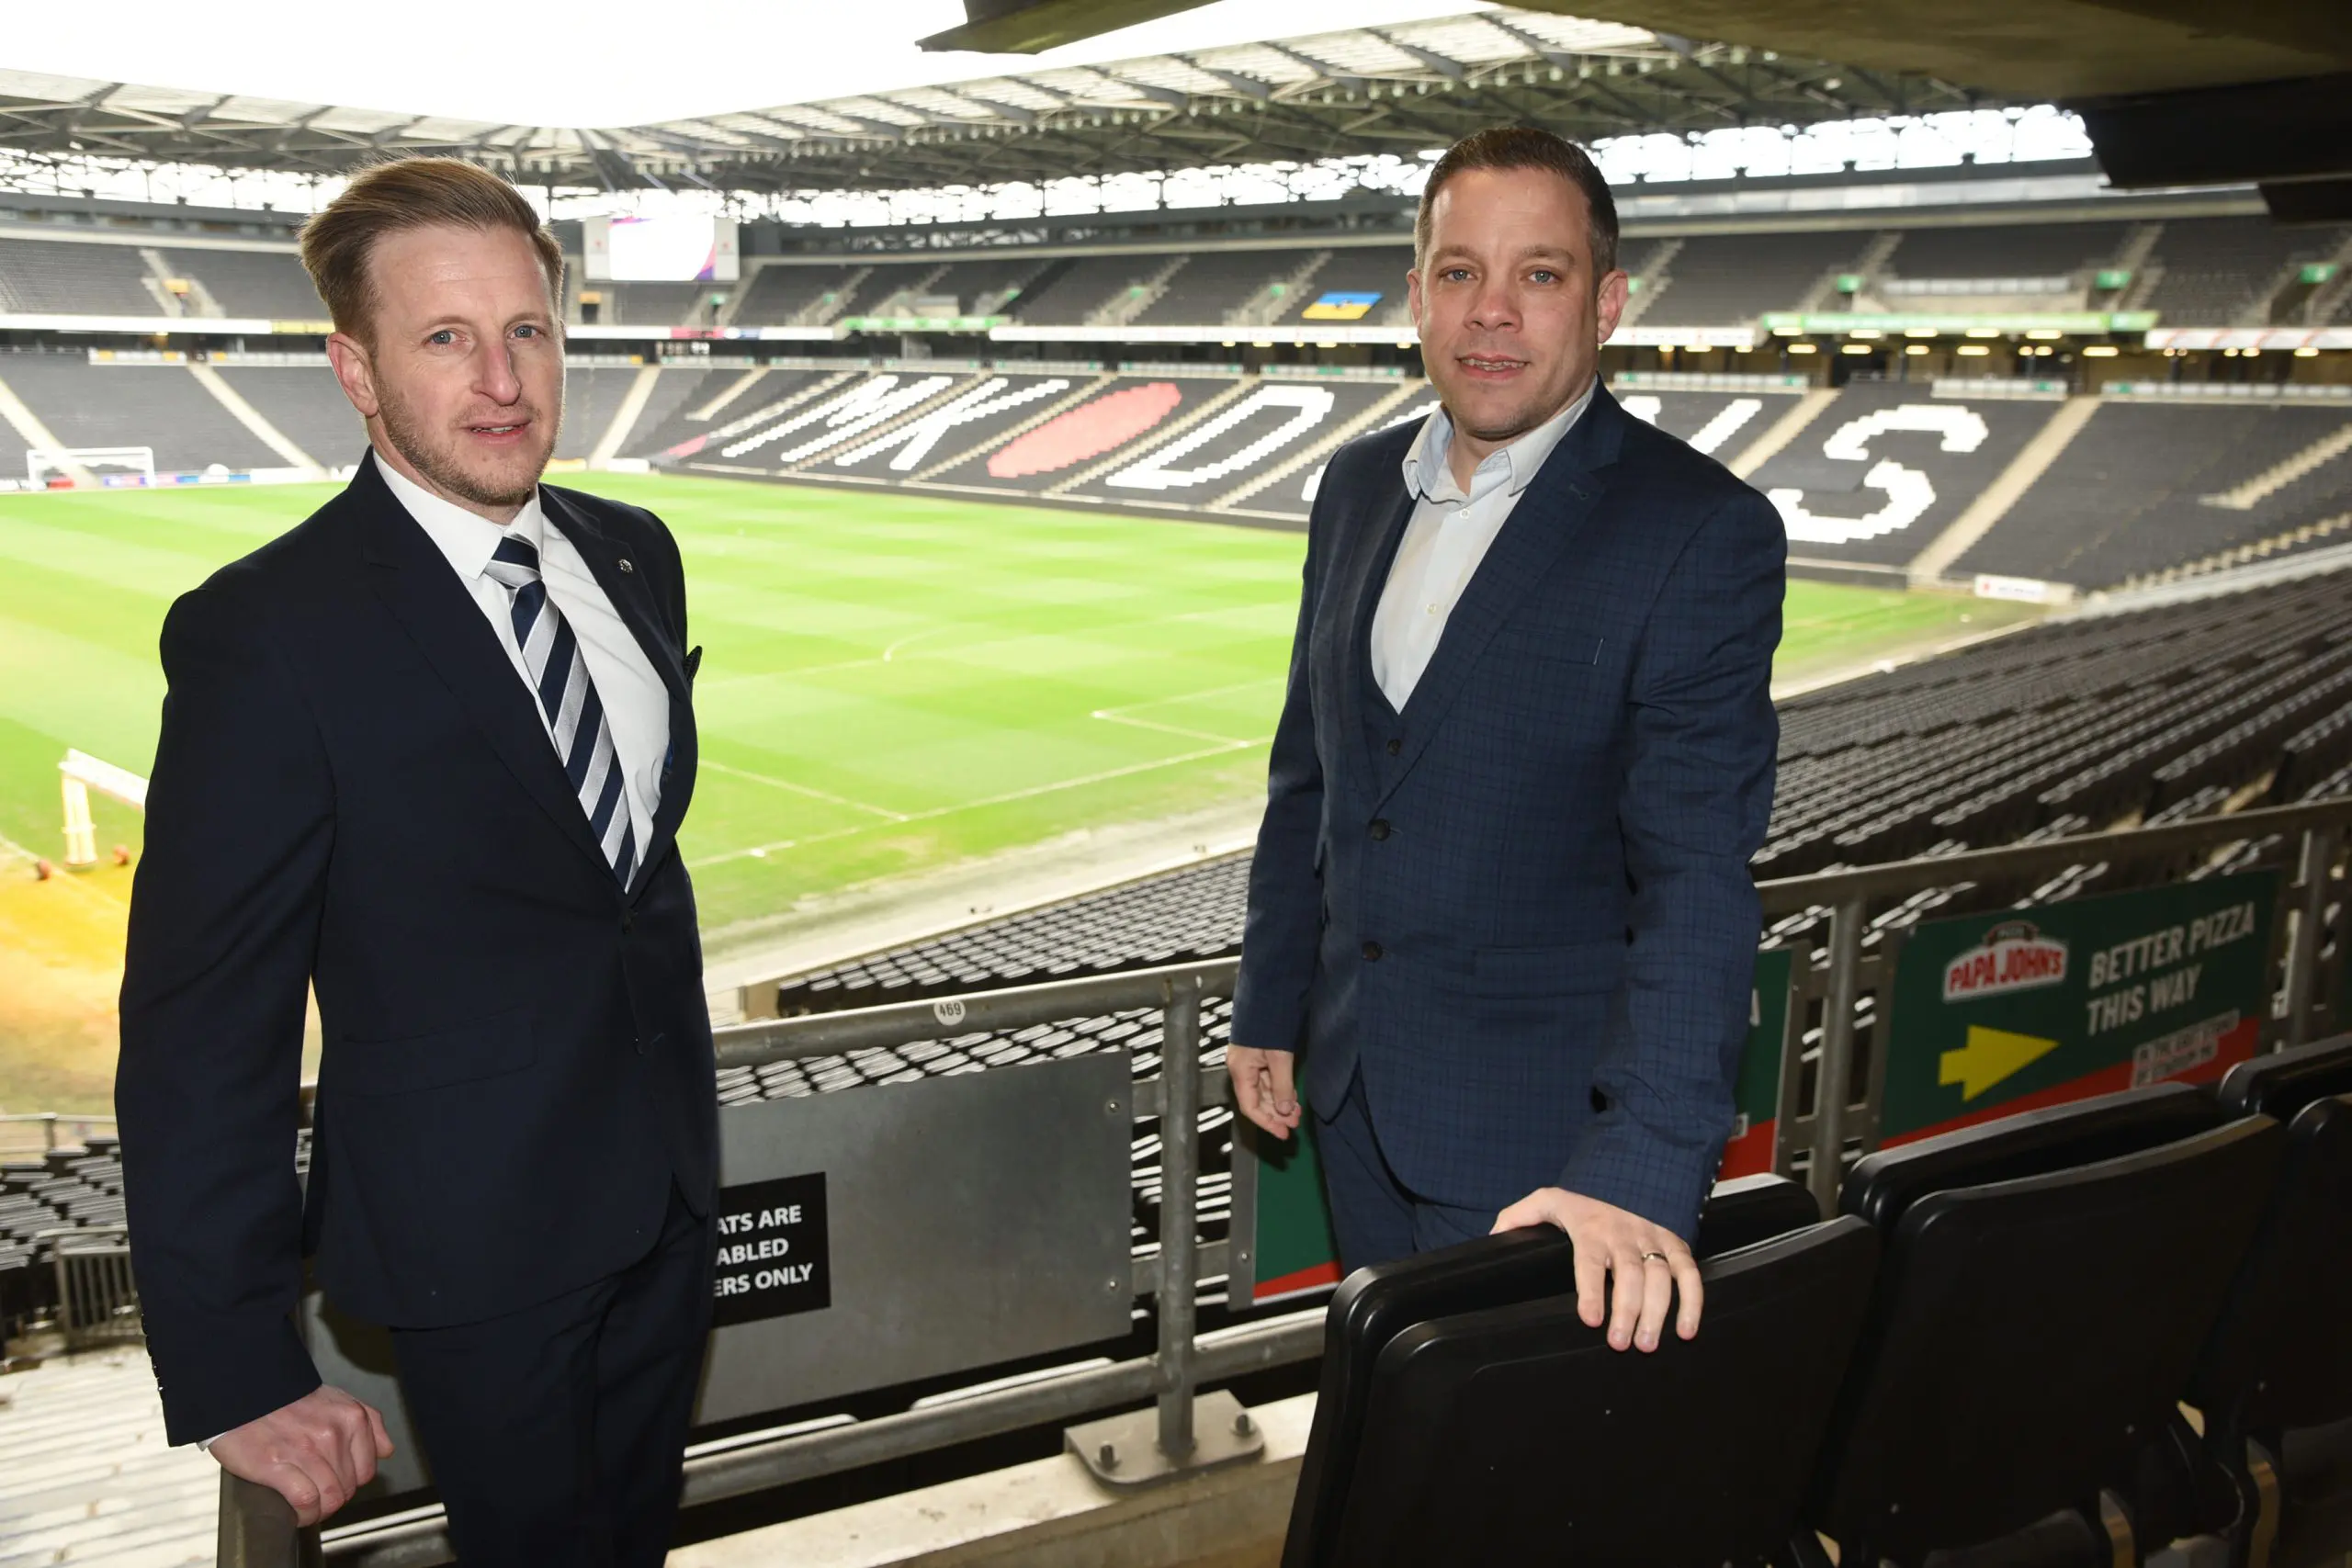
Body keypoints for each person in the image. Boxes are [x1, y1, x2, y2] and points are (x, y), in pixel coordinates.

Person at [116, 157, 716, 1566]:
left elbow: (618, 891)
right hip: (473, 1249)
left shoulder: (635, 555)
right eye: (446, 337)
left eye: (527, 330)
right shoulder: (266, 633)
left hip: (669, 1200)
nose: (502, 379)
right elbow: (206, 1022)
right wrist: (237, 1365)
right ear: (358, 370)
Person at [1227, 126, 1784, 1360]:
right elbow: (1310, 773)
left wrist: (1641, 1169)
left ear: (1608, 301)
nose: (1492, 312)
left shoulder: (1696, 532)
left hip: (1547, 1152)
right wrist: (1271, 997)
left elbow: (1698, 878)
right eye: (1458, 270)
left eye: (1539, 274)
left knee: (1525, 1491)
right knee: (1400, 1435)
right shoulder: (1357, 485)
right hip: (1353, 1096)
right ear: (1416, 291)